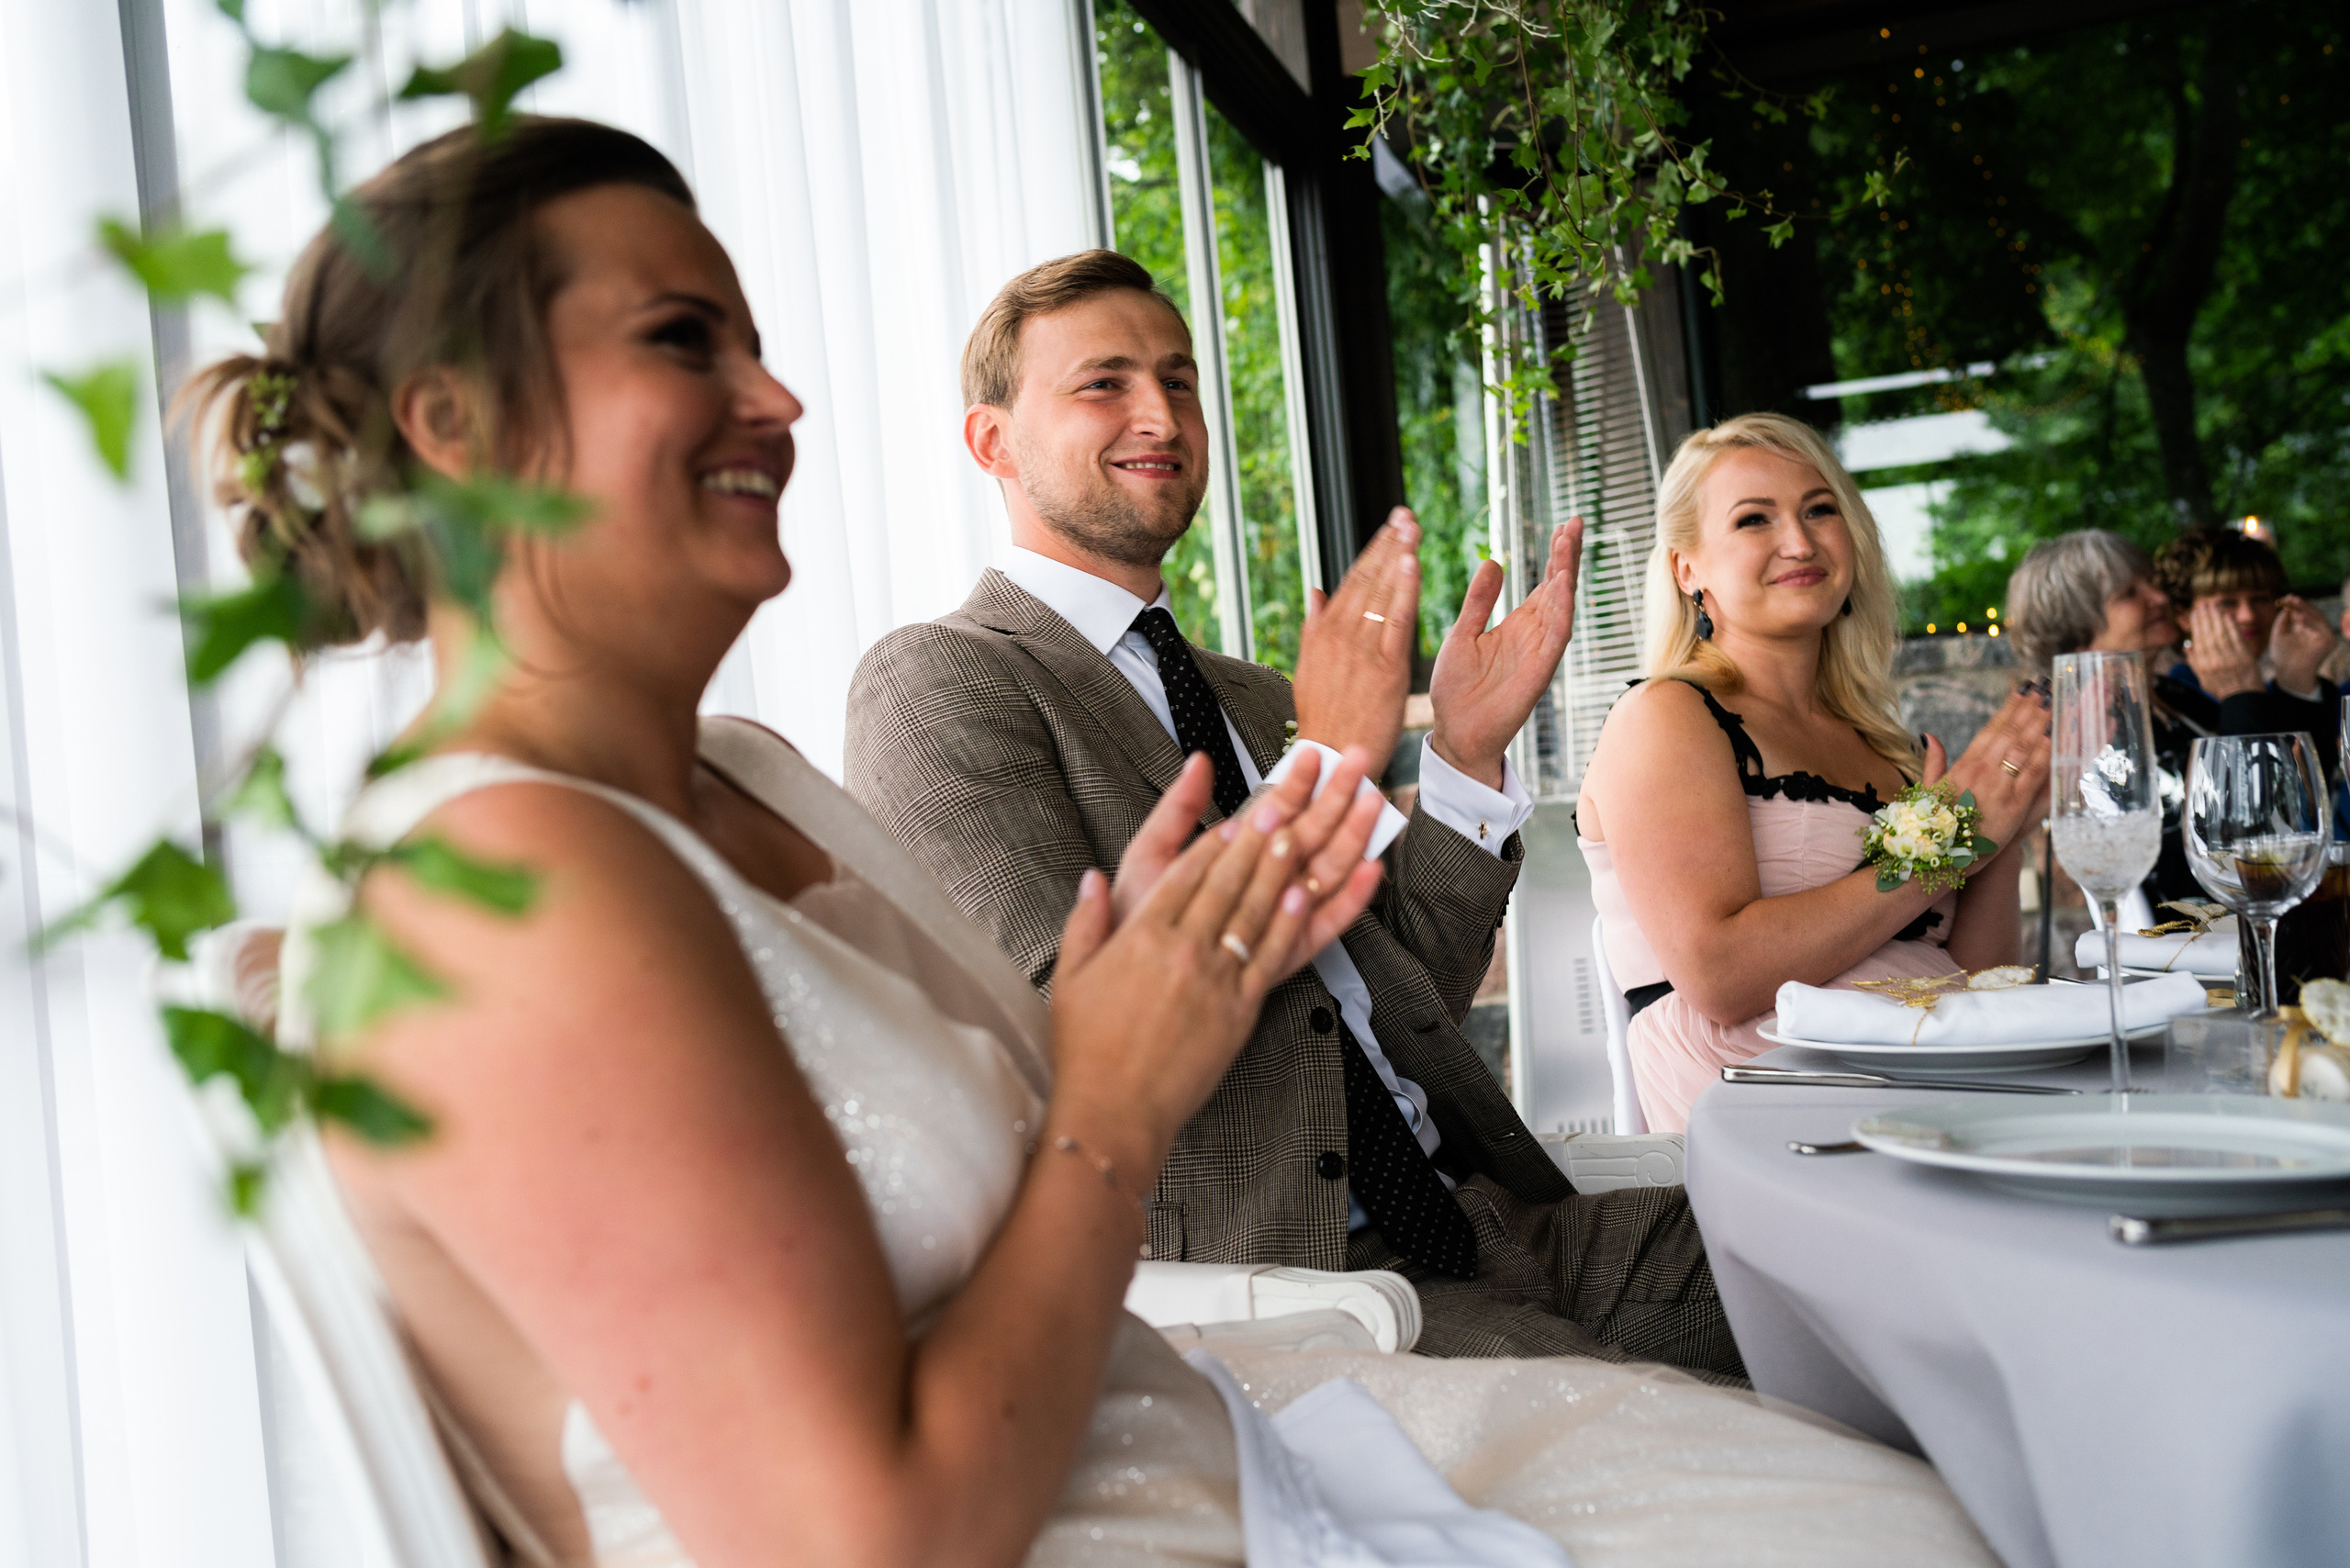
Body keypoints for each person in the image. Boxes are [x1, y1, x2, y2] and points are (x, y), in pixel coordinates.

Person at [217, 119, 1999, 1566]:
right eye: (684, 340)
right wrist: (1231, 898)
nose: (778, 400)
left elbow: (1365, 990)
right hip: (1274, 1323)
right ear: (450, 426)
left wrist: (1445, 759)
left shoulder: (747, 770)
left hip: (1366, 1287)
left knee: (1945, 1335)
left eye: (1177, 375)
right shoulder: (852, 721)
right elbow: (1064, 1101)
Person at [845, 251, 1742, 1377]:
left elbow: (1398, 992)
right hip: (1310, 1295)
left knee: (1871, 1271)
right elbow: (1066, 1021)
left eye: (1178, 380)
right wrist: (1322, 764)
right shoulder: (937, 682)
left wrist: (1463, 757)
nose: (1158, 413)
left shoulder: (1254, 696)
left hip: (1502, 1223)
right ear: (991, 441)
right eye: (1103, 384)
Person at [1575, 414, 2052, 1134]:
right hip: (1773, 1110)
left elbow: (1977, 986)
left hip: (1936, 1089)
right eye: (1754, 519)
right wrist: (1942, 842)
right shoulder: (1666, 715)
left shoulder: (1887, 746)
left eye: (1820, 510)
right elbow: (1721, 975)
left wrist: (2000, 831)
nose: (1799, 542)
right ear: (1687, 567)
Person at [2005, 530, 2213, 905]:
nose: (2160, 597)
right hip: (2170, 948)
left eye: (2150, 582)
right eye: (2129, 594)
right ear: (2076, 627)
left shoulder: (2180, 695)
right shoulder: (2078, 731)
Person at [2152, 526, 2341, 766]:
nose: (2247, 615)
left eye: (2260, 599)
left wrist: (2298, 681)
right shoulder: (2175, 703)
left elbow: (2314, 790)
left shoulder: (2276, 692)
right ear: (2183, 616)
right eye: (2227, 603)